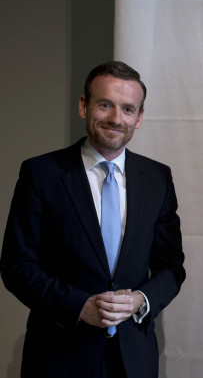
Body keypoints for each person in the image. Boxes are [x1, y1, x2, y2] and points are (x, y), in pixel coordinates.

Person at [1, 61, 186, 378]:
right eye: (105, 105)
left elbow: (171, 267)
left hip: (134, 359)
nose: (116, 119)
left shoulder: (158, 178)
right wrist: (78, 306)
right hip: (59, 357)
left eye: (128, 109)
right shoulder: (41, 174)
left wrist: (141, 300)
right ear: (84, 106)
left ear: (139, 117)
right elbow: (17, 266)